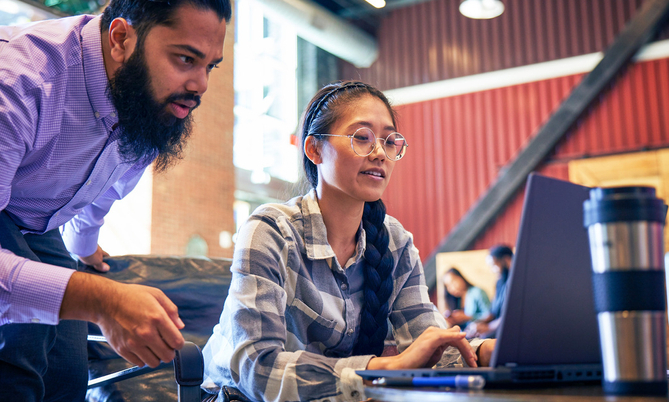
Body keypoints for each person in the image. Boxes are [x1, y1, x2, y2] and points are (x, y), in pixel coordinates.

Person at [202, 81, 495, 402]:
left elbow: (427, 346)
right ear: (314, 149)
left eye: (389, 141)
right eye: (362, 138)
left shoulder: (395, 241)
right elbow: (257, 370)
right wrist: (388, 367)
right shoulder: (270, 229)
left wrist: (484, 353)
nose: (381, 153)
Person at [0, 0, 231, 399]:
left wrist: (84, 248)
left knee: (67, 371)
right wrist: (104, 302)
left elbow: (100, 190)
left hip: (36, 220)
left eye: (209, 66)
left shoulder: (144, 102)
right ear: (121, 37)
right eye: (185, 58)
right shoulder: (21, 80)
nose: (200, 85)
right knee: (22, 348)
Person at [466, 244, 513, 339]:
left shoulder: (515, 282)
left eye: (494, 265)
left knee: (481, 339)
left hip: (507, 328)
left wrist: (488, 327)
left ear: (507, 260)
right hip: (497, 325)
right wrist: (478, 324)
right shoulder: (500, 282)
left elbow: (510, 316)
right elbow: (493, 313)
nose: (493, 270)